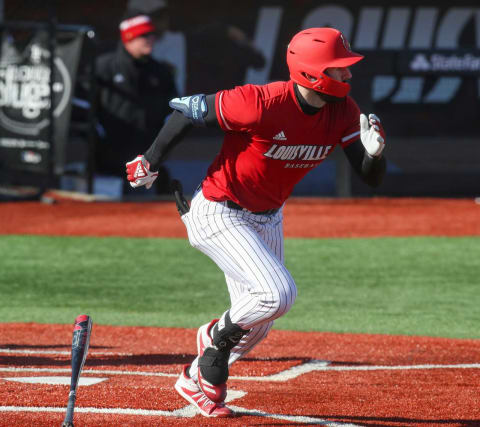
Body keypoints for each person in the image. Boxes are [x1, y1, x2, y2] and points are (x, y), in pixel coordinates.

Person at [125, 27, 387, 417]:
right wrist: (150, 159)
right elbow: (186, 110)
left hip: (267, 217)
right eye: (339, 69)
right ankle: (214, 342)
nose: (348, 76)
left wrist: (376, 153)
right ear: (312, 72)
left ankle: (194, 376)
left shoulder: (343, 112)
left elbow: (368, 177)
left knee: (261, 324)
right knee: (277, 294)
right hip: (218, 210)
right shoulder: (260, 102)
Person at [95, 10, 177, 195]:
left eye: (152, 35)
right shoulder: (102, 68)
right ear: (128, 37)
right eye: (143, 35)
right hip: (107, 161)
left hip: (147, 161)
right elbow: (85, 109)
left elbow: (174, 110)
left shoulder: (161, 72)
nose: (150, 39)